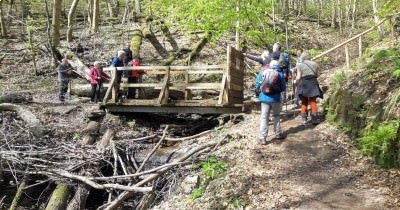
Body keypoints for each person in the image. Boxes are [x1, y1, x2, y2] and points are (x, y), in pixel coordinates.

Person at [255, 60, 286, 145]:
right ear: (277, 65)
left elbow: (257, 83)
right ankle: (278, 134)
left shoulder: (263, 72)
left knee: (264, 117)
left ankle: (262, 138)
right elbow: (283, 88)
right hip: (276, 98)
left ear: (270, 65)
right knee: (276, 116)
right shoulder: (280, 74)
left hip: (264, 98)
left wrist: (259, 89)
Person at [296, 51, 323, 125]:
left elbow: (298, 77)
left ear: (302, 57)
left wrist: (295, 81)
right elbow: (317, 75)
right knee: (313, 101)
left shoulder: (300, 65)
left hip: (304, 83)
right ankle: (314, 119)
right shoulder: (315, 64)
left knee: (304, 101)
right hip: (313, 83)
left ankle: (304, 119)